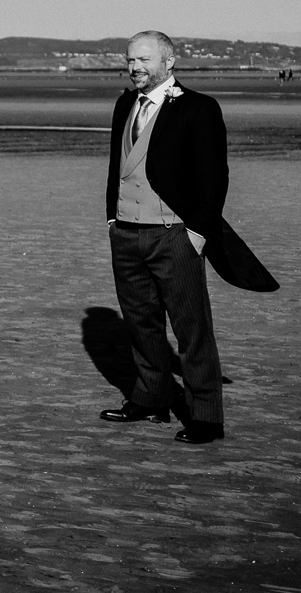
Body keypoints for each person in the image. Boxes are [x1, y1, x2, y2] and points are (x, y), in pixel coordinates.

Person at [101, 30, 236, 443]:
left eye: (143, 60)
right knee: (141, 324)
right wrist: (112, 220)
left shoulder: (198, 108)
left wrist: (196, 233)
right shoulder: (125, 103)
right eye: (130, 60)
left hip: (174, 235)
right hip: (126, 234)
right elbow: (116, 165)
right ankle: (151, 397)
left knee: (192, 329)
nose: (135, 67)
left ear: (169, 61)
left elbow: (214, 178)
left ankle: (206, 416)